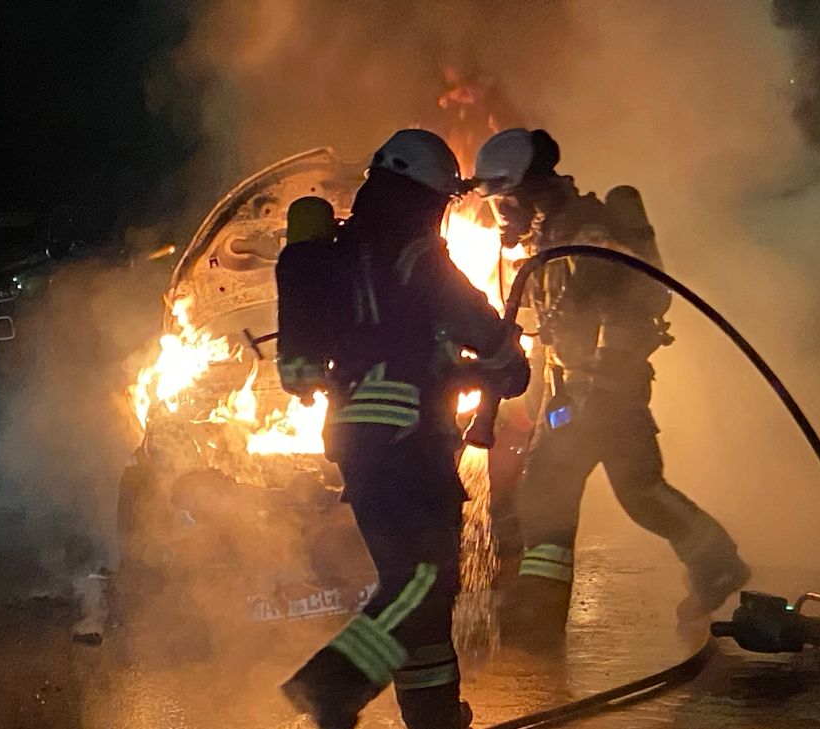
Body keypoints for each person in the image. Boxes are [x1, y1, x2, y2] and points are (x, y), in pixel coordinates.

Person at [277, 129, 529, 729]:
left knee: (420, 598)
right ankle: (334, 682)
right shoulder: (419, 258)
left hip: (357, 443)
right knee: (425, 579)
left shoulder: (337, 252)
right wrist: (500, 363)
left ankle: (435, 719)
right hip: (407, 443)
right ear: (426, 198)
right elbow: (490, 339)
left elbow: (308, 364)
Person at [473, 128, 750, 646]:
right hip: (592, 388)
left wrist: (595, 390)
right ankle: (716, 562)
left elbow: (620, 307)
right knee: (640, 489)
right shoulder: (555, 234)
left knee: (545, 493)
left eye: (503, 200)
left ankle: (536, 621)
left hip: (598, 389)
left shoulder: (584, 230)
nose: (501, 214)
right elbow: (557, 326)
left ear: (525, 190)